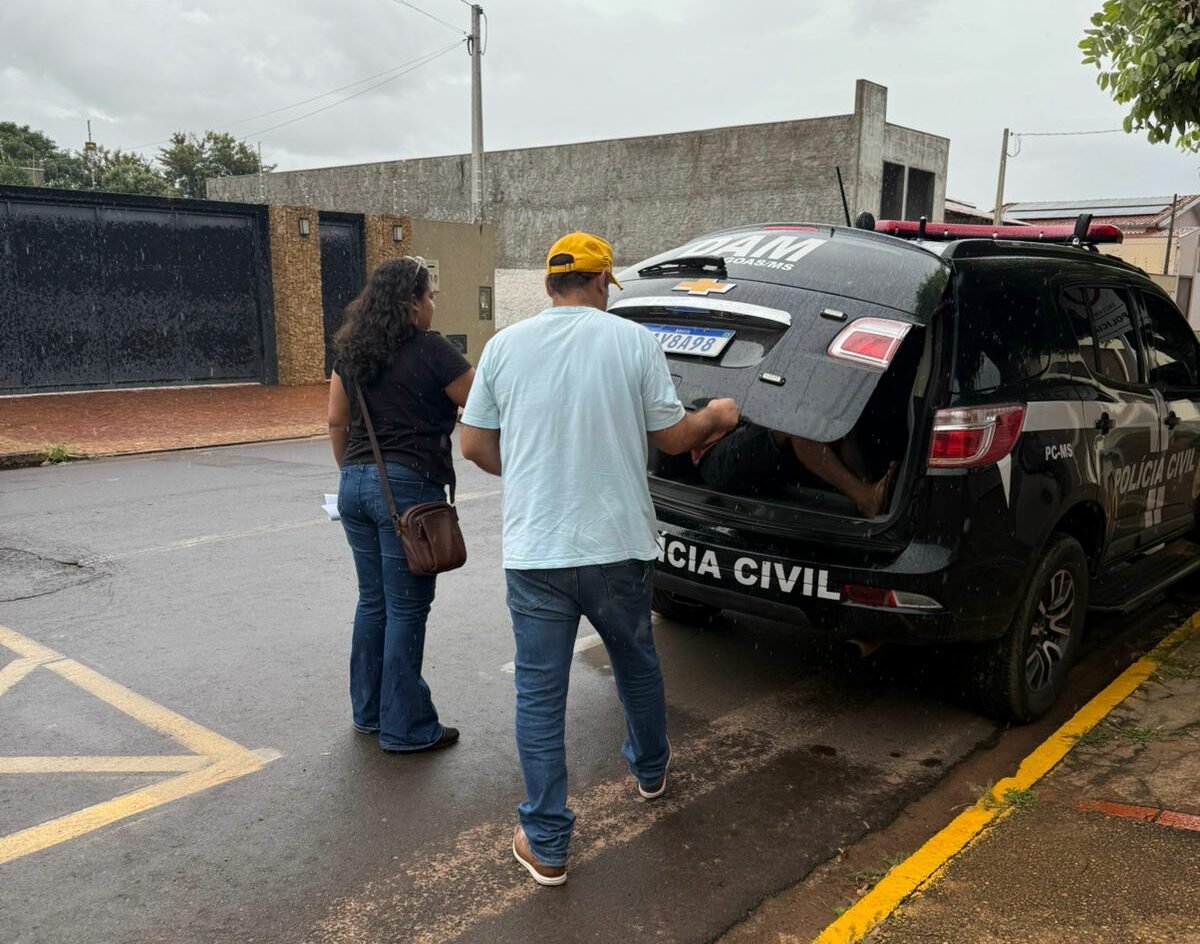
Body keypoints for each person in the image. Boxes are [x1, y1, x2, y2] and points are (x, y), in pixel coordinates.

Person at [460, 231, 739, 886]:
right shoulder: (632, 341)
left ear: (550, 284)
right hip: (617, 546)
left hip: (537, 551)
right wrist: (718, 415)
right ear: (598, 282)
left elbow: (473, 445)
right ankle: (651, 771)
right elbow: (673, 435)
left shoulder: (504, 346)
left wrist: (530, 470)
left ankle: (547, 842)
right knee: (635, 663)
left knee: (539, 693)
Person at [327, 256, 474, 753]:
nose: (432, 306)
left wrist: (353, 471)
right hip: (408, 488)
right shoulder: (433, 349)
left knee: (373, 601)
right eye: (430, 297)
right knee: (407, 608)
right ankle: (406, 727)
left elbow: (336, 421)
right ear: (412, 302)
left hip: (353, 484)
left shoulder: (352, 351)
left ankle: (369, 711)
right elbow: (480, 399)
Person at [694, 422, 897, 518]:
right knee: (797, 425)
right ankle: (865, 497)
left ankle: (870, 493)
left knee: (839, 423)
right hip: (714, 458)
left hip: (753, 439)